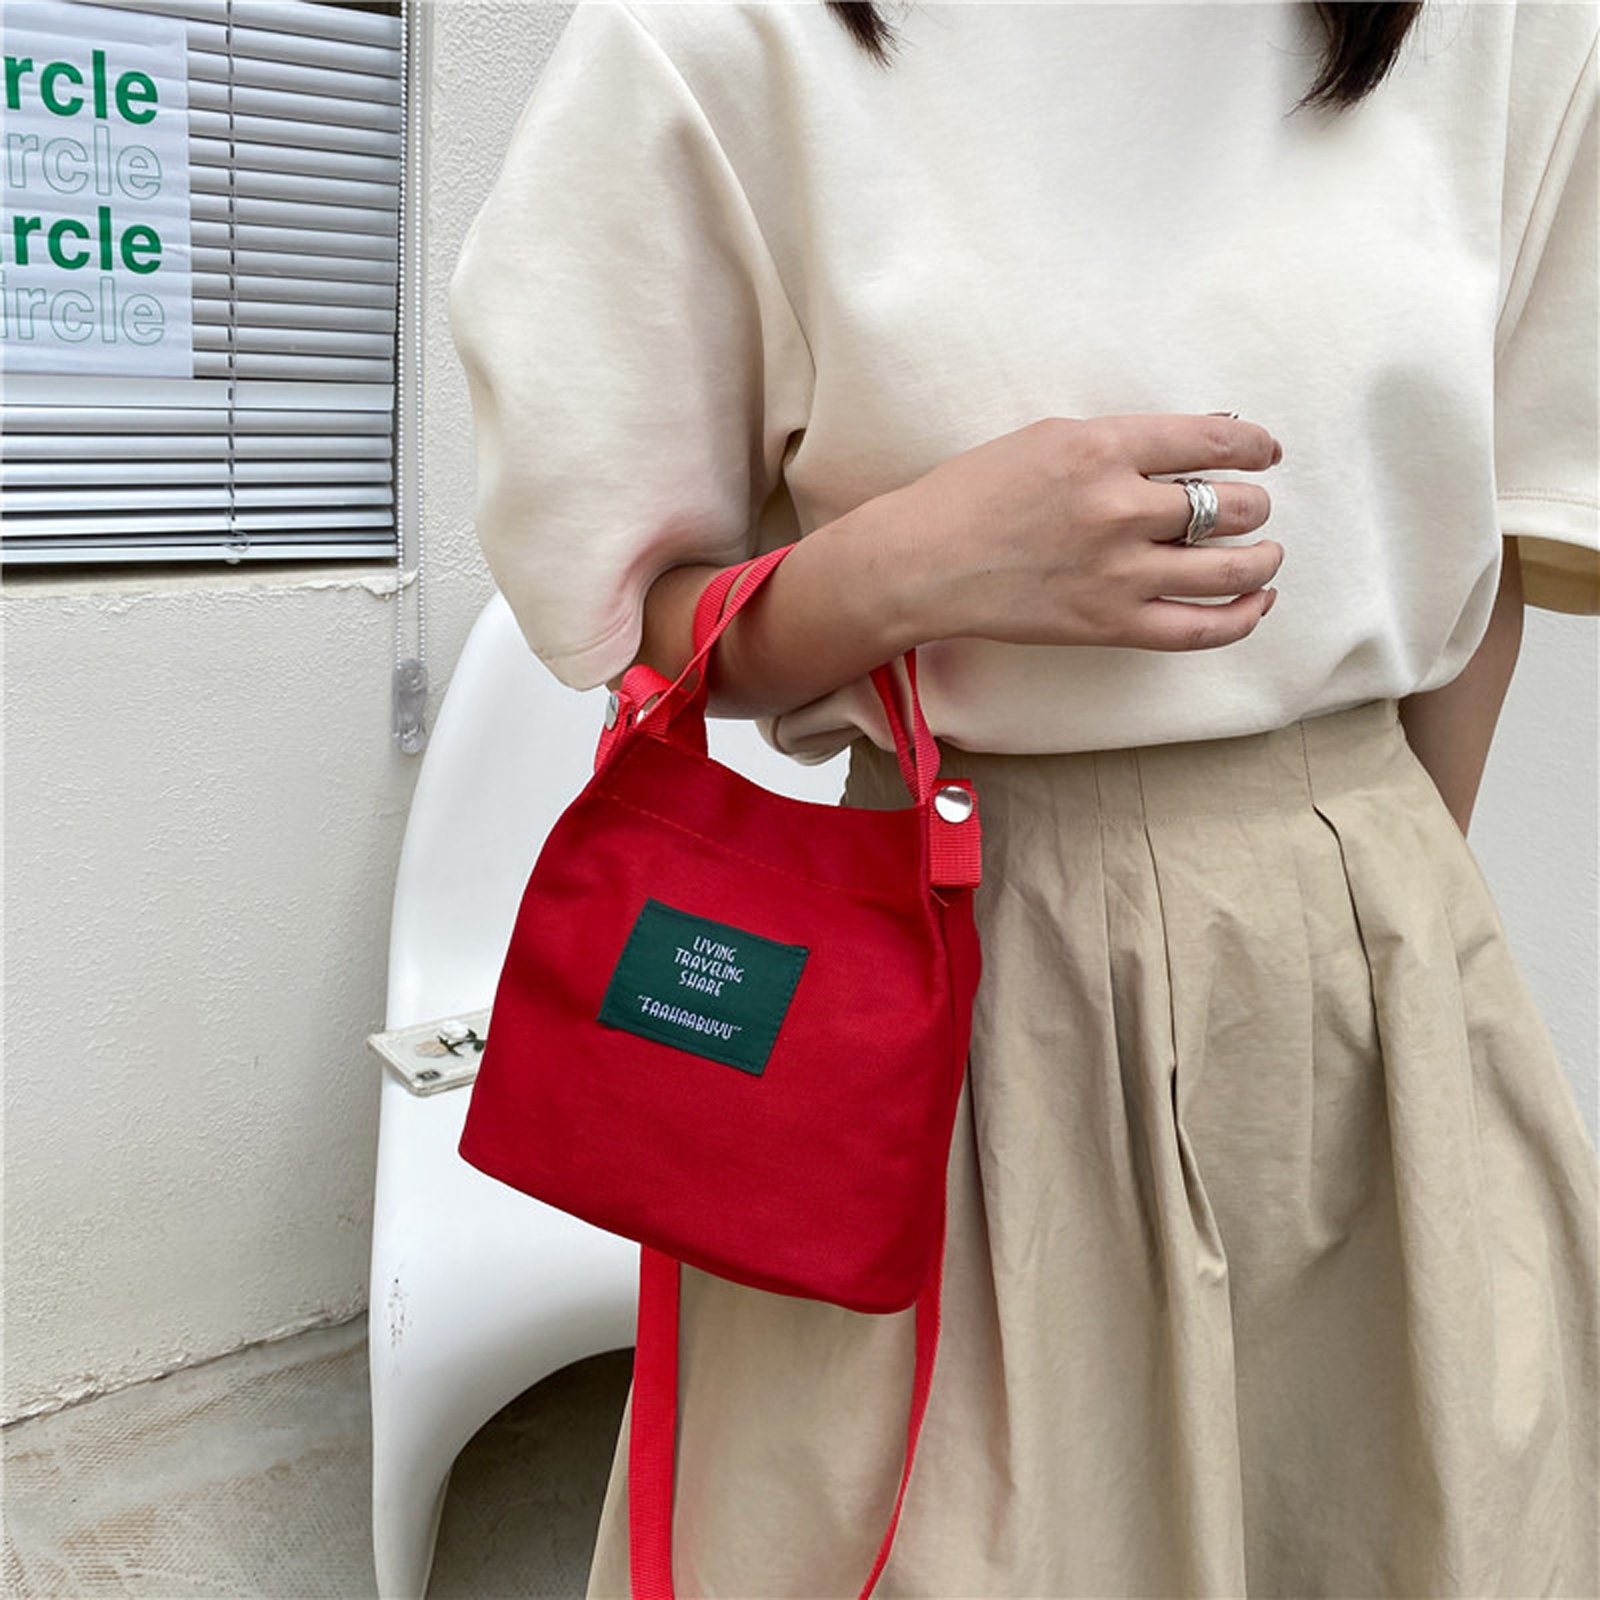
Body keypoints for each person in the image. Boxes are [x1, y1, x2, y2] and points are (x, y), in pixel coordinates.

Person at [449, 1, 1599, 1593]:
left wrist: (1374, 943)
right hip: (943, 981)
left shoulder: (1511, 27)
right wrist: (903, 569)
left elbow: (1501, 537)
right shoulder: (718, 33)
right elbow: (635, 623)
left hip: (1372, 981)